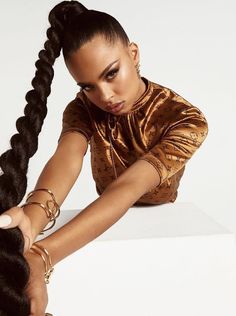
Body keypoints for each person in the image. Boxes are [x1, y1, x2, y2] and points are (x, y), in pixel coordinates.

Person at [0, 1, 208, 315]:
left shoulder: (185, 119)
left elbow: (128, 188)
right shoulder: (83, 108)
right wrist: (31, 221)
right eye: (88, 86)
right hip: (109, 201)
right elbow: (67, 157)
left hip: (156, 203)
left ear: (133, 54)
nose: (105, 96)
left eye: (111, 74)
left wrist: (43, 255)